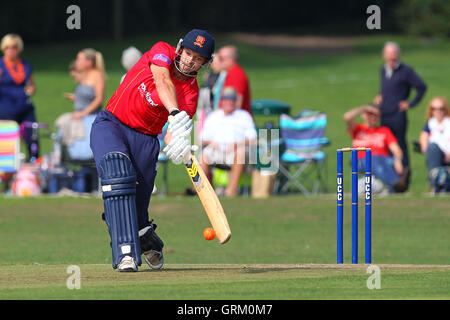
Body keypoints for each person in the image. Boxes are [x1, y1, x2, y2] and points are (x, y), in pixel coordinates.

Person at [90, 29, 215, 272]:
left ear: (205, 63)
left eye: (198, 58)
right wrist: (175, 113)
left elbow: (172, 133)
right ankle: (126, 254)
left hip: (146, 140)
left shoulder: (190, 94)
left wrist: (177, 143)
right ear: (180, 49)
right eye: (188, 53)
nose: (190, 60)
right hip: (112, 123)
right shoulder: (161, 51)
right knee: (117, 175)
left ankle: (147, 239)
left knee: (136, 207)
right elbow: (162, 81)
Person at [373, 41, 427, 188]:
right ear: (384, 55)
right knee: (386, 146)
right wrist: (379, 96)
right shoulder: (383, 70)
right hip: (384, 114)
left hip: (398, 115)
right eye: (388, 54)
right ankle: (390, 179)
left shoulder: (406, 71)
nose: (391, 57)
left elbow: (421, 87)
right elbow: (386, 89)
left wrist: (410, 103)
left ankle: (404, 179)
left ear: (398, 55)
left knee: (399, 146)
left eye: (394, 53)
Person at [200, 87, 257, 197]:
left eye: (232, 99)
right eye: (227, 99)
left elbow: (253, 138)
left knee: (240, 152)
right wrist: (212, 143)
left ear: (236, 101)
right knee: (204, 156)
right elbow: (203, 137)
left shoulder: (243, 116)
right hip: (217, 150)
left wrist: (236, 144)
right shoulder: (214, 116)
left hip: (235, 151)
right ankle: (204, 192)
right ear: (222, 101)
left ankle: (231, 190)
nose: (229, 102)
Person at [344, 104, 408, 193]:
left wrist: (398, 160)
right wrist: (364, 107)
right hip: (362, 161)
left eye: (375, 115)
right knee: (372, 157)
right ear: (364, 115)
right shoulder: (358, 129)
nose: (373, 117)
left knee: (381, 160)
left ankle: (394, 186)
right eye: (370, 114)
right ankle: (396, 183)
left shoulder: (384, 131)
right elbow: (347, 117)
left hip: (384, 161)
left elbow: (396, 150)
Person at [60, 49, 105, 160]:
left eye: (79, 59)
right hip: (80, 117)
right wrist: (76, 98)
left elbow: (99, 99)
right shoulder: (85, 75)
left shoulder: (97, 75)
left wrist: (82, 113)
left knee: (86, 156)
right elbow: (87, 95)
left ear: (89, 62)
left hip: (89, 119)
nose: (76, 62)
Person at [0, 33, 38, 160]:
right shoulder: (1, 65)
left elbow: (32, 84)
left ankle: (32, 168)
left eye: (14, 47)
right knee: (7, 143)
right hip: (6, 108)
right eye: (7, 47)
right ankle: (6, 173)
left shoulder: (25, 65)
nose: (11, 50)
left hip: (25, 107)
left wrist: (31, 89)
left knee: (32, 138)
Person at [419, 97, 450, 192]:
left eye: (441, 108)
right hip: (436, 155)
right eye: (434, 109)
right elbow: (424, 141)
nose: (438, 111)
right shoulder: (430, 124)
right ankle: (435, 183)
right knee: (432, 147)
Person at [216, 46, 252, 115]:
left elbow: (237, 102)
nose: (218, 61)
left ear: (231, 59)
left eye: (221, 58)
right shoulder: (230, 73)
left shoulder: (236, 74)